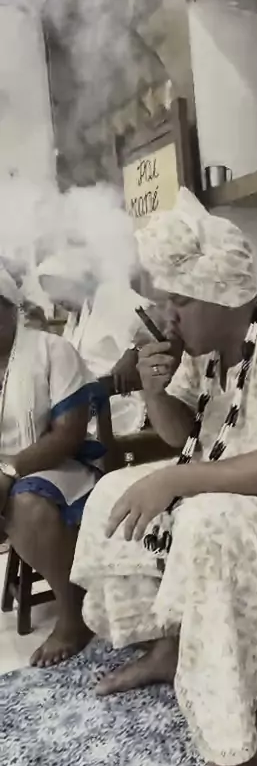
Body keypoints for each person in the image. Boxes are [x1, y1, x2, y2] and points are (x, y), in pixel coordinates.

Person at [71, 189, 257, 766]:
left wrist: (178, 479)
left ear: (222, 291)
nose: (169, 317)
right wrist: (155, 393)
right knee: (113, 491)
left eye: (179, 301)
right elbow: (184, 437)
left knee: (208, 521)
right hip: (227, 478)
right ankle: (167, 645)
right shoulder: (202, 348)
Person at [0, 265, 104, 666]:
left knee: (25, 503)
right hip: (9, 471)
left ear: (9, 309)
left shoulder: (51, 350)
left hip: (61, 465)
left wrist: (9, 470)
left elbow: (68, 435)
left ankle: (73, 616)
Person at [37, 250, 150, 437]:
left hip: (118, 404)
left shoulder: (111, 296)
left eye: (53, 289)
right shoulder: (78, 314)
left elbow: (153, 322)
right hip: (85, 403)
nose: (52, 299)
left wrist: (134, 350)